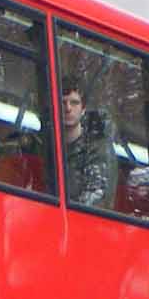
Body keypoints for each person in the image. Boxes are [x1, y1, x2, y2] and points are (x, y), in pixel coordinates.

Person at [60, 76, 118, 208]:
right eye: (63, 102)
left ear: (83, 109)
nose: (68, 108)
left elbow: (95, 202)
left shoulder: (97, 150)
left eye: (74, 103)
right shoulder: (45, 144)